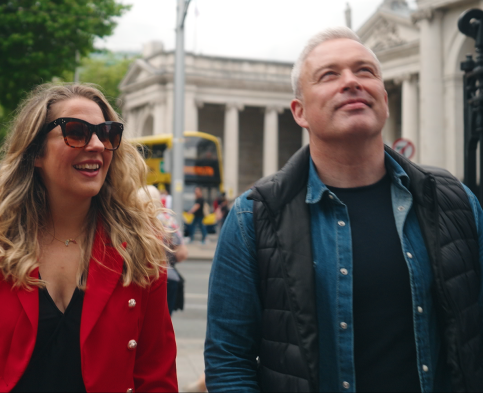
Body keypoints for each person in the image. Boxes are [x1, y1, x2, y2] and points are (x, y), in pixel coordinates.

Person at [205, 27, 483, 392]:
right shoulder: (251, 218)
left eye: (365, 71)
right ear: (299, 112)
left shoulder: (456, 201)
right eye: (329, 75)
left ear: (383, 97)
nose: (351, 81)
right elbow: (229, 362)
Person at [0, 83, 177, 392]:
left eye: (107, 133)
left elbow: (156, 372)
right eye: (76, 132)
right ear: (35, 153)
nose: (98, 145)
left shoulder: (140, 241)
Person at [139, 185, 188, 315]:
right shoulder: (168, 220)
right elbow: (182, 253)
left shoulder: (133, 220)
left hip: (138, 279)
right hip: (166, 277)